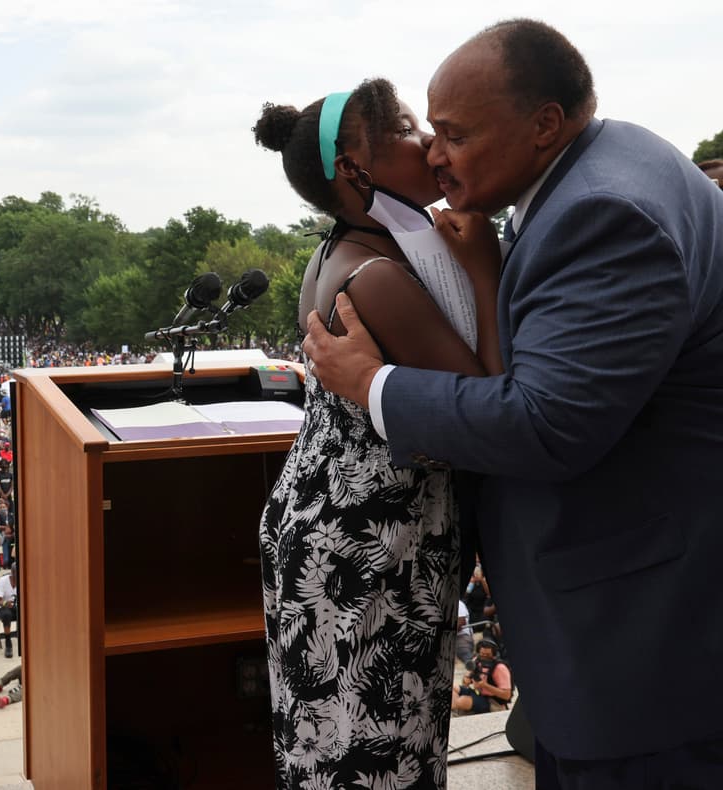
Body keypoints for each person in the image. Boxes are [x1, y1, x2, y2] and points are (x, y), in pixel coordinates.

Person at [301, 19, 723, 789]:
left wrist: (370, 384)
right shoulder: (599, 168)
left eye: (453, 134)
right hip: (623, 624)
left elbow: (546, 424)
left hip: (640, 646)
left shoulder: (606, 214)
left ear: (543, 125)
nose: (434, 153)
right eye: (425, 131)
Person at [252, 74, 505, 788]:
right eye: (401, 129)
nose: (425, 141)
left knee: (341, 748)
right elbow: (486, 407)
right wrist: (484, 271)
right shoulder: (377, 276)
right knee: (378, 754)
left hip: (340, 529)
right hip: (368, 553)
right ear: (350, 170)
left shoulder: (347, 250)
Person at [452, 639, 513, 715]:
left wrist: (485, 685)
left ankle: (457, 708)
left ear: (494, 655)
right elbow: (466, 680)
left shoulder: (500, 668)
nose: (484, 657)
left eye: (487, 655)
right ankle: (456, 709)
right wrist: (466, 679)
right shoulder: (477, 661)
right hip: (479, 694)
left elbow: (507, 695)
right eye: (482, 654)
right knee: (453, 688)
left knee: (462, 701)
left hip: (493, 701)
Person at [0, 564, 18, 659]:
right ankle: (8, 644)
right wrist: (5, 603)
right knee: (7, 615)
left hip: (15, 607)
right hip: (3, 607)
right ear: (12, 573)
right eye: (16, 573)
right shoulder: (3, 581)